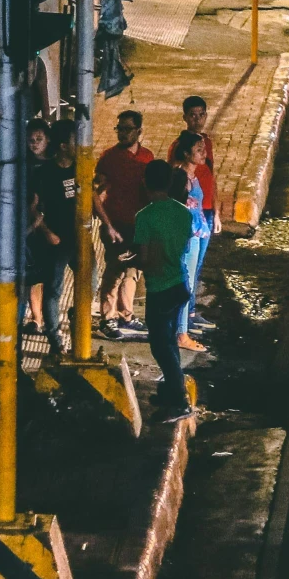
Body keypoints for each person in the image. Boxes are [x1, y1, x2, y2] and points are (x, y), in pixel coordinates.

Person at [131, 159, 201, 425]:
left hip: (159, 288)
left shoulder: (145, 217)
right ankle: (171, 391)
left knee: (162, 346)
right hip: (180, 283)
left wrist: (130, 261)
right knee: (169, 340)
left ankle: (179, 400)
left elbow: (146, 259)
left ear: (146, 182)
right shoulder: (183, 212)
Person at [93, 110, 154, 340]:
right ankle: (107, 318)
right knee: (114, 270)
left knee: (132, 271)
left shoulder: (147, 156)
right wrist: (106, 223)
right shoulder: (109, 158)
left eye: (127, 129)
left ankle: (125, 313)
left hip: (138, 224)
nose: (122, 133)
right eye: (120, 128)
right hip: (116, 224)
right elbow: (96, 190)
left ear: (139, 131)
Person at [23, 119, 72, 345]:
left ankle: (72, 319)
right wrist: (45, 232)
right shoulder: (43, 172)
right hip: (53, 238)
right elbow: (34, 206)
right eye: (31, 140)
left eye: (39, 139)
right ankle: (53, 335)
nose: (34, 144)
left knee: (88, 282)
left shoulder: (79, 167)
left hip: (76, 236)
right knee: (50, 286)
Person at [179, 95, 218, 332]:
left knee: (197, 267)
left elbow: (213, 178)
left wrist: (217, 212)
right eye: (192, 115)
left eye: (201, 114)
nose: (197, 119)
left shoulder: (206, 143)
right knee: (187, 269)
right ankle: (184, 320)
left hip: (205, 215)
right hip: (191, 220)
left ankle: (190, 314)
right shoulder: (181, 149)